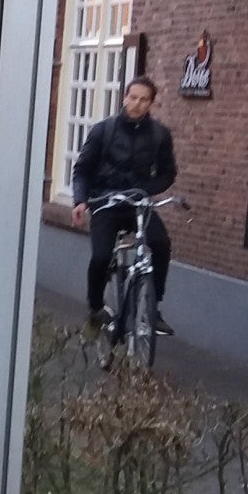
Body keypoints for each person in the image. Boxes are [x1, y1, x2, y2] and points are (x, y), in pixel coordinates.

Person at [70, 73, 177, 332]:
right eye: (133, 97)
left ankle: (154, 307)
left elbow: (168, 172)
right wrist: (81, 201)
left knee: (161, 244)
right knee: (101, 257)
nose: (137, 104)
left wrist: (146, 190)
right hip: (106, 202)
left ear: (151, 103)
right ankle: (96, 307)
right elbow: (82, 170)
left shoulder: (160, 135)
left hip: (137, 204)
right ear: (125, 97)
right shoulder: (103, 131)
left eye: (143, 100)